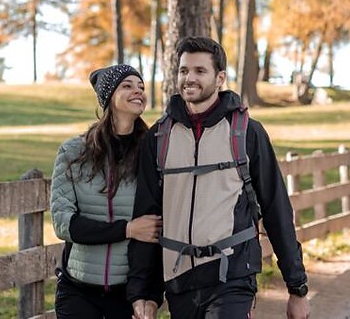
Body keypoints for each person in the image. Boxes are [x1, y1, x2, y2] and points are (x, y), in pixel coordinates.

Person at [127, 37, 310, 319]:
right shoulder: (159, 138)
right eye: (184, 70)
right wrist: (145, 293)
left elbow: (277, 210)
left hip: (232, 275)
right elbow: (148, 218)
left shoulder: (247, 133)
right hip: (179, 280)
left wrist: (297, 287)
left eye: (200, 71)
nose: (189, 78)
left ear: (220, 78)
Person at [50, 64, 163, 318]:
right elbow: (64, 224)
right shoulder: (73, 152)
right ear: (109, 96)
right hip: (77, 290)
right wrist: (128, 229)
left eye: (141, 86)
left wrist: (152, 295)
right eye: (127, 86)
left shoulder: (152, 153)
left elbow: (156, 229)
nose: (138, 91)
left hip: (126, 294)